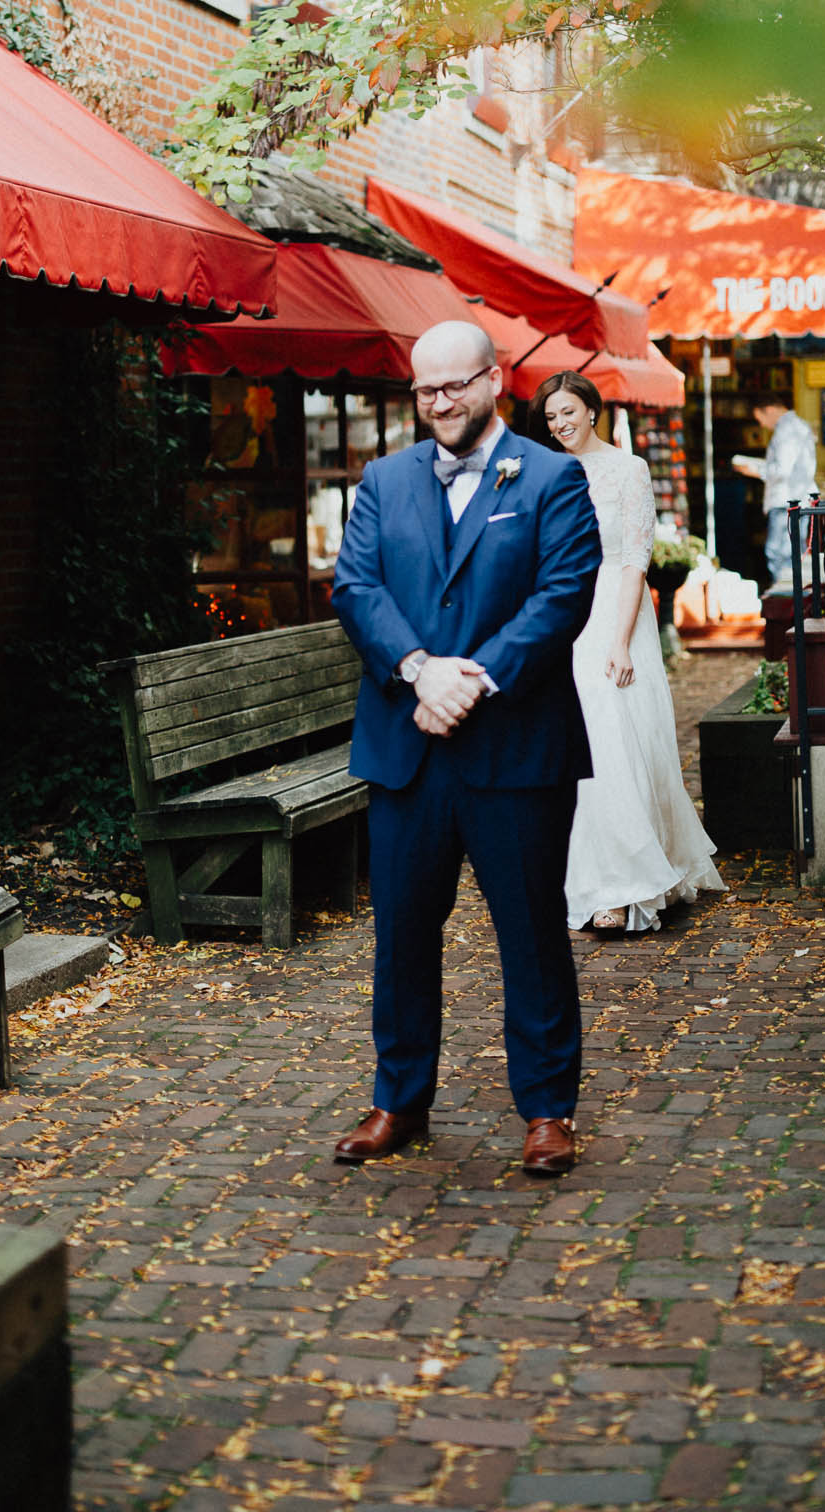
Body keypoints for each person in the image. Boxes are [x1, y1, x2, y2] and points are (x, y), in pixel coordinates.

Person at [330, 321, 603, 1177]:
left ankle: (548, 1110)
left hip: (514, 748)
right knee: (402, 935)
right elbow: (355, 585)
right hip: (405, 747)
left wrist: (473, 680)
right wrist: (417, 671)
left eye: (453, 386)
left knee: (529, 934)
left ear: (493, 380)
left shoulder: (553, 478)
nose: (438, 403)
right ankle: (398, 1100)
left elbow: (564, 593)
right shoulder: (382, 480)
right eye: (424, 390)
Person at [537, 371, 726, 934]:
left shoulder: (628, 469)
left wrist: (619, 642)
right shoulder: (545, 473)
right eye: (550, 418)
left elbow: (635, 560)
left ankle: (629, 876)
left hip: (617, 610)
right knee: (579, 744)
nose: (560, 425)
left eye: (568, 412)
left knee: (617, 735)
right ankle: (594, 878)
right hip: (563, 613)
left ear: (591, 410)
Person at [732, 400, 818, 589]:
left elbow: (781, 470)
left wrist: (752, 469)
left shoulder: (786, 431)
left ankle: (787, 601)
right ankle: (793, 599)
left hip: (786, 501)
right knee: (794, 554)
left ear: (769, 409)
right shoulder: (799, 426)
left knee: (780, 555)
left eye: (760, 418)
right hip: (798, 499)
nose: (761, 424)